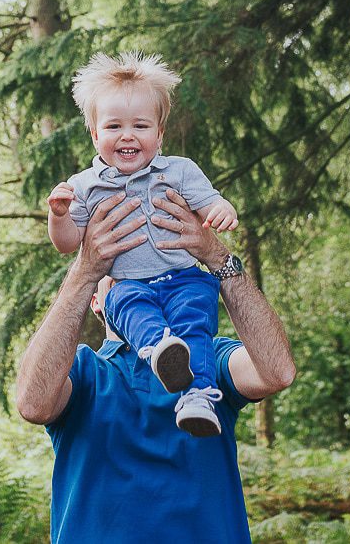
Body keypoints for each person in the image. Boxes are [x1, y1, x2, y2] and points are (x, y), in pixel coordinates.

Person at [16, 188, 295, 544]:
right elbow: (32, 403)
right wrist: (84, 272)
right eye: (125, 265)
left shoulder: (210, 360)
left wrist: (216, 255)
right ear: (98, 300)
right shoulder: (84, 373)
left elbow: (277, 371)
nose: (143, 275)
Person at [46, 52, 240, 435]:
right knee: (122, 303)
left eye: (140, 125)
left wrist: (222, 209)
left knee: (196, 317)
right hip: (130, 284)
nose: (128, 135)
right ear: (95, 135)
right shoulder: (86, 185)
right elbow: (68, 244)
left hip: (181, 276)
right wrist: (59, 215)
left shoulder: (180, 171)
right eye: (114, 126)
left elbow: (209, 201)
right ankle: (158, 350)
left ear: (160, 134)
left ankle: (197, 396)